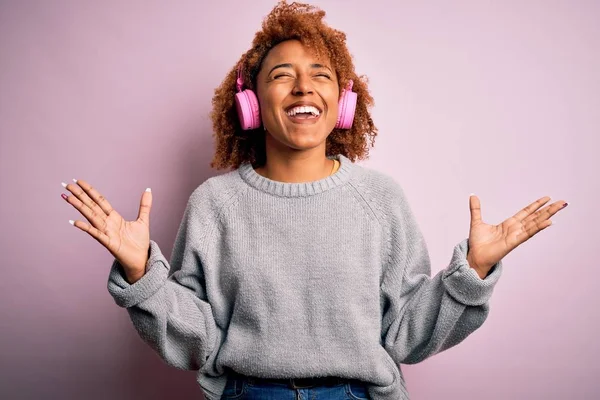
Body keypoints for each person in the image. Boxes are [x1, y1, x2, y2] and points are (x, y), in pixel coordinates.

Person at [60, 1, 568, 399]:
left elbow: (405, 336)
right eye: (281, 74)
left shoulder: (380, 200)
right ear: (250, 101)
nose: (303, 86)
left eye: (320, 74)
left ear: (343, 102)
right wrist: (140, 277)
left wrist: (471, 274)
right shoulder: (214, 204)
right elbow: (199, 339)